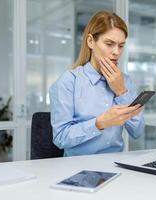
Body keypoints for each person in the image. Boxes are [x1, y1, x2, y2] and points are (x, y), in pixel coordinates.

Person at [49, 11, 145, 156]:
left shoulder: (125, 81)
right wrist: (99, 123)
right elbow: (60, 138)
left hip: (116, 164)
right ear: (90, 42)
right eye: (109, 44)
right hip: (78, 167)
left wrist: (121, 92)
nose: (116, 52)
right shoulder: (68, 82)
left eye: (121, 46)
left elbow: (137, 132)